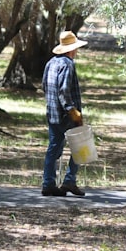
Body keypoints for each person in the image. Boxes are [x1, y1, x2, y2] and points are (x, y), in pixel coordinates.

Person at [41, 30, 88, 197]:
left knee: (53, 149)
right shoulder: (68, 64)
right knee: (81, 146)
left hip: (52, 113)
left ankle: (48, 183)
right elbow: (64, 91)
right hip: (66, 115)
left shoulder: (51, 63)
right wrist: (73, 112)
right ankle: (69, 181)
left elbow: (45, 86)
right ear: (71, 49)